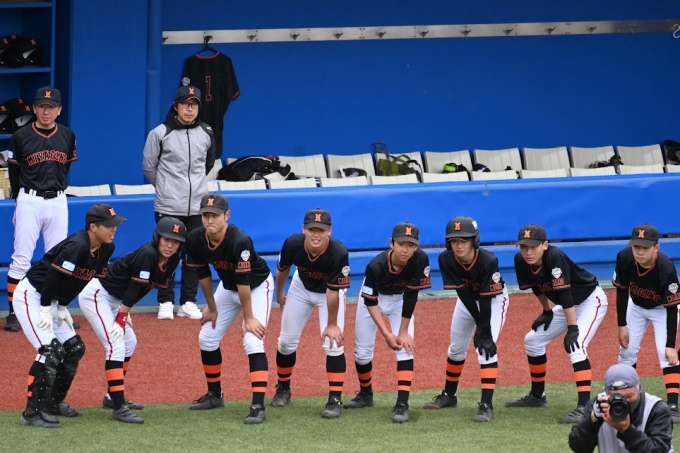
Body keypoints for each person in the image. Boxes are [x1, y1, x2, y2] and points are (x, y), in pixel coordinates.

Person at [13, 203, 125, 428]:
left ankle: (52, 404)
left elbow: (81, 280)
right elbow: (53, 277)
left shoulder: (106, 248)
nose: (114, 229)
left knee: (75, 348)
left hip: (52, 299)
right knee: (49, 351)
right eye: (108, 225)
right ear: (93, 227)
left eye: (115, 224)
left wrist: (62, 306)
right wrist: (46, 307)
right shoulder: (77, 245)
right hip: (33, 296)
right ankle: (31, 413)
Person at [79, 217, 187, 424]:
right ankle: (119, 408)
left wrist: (124, 311)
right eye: (166, 239)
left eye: (175, 242)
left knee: (129, 342)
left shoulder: (173, 259)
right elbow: (134, 287)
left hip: (116, 299)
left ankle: (112, 396)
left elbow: (143, 288)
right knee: (115, 345)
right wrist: (122, 316)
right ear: (157, 238)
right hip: (97, 295)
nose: (170, 245)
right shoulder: (148, 254)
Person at [185, 193, 273, 424]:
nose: (209, 220)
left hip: (255, 287)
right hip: (227, 287)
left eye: (214, 215)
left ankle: (258, 406)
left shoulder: (239, 240)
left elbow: (244, 282)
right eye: (205, 215)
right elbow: (203, 274)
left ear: (227, 215)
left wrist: (249, 317)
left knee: (253, 340)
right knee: (207, 338)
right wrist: (211, 307)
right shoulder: (195, 238)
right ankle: (215, 395)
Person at [506, 224, 608, 424]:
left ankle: (584, 407)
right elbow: (537, 287)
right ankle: (537, 396)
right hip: (567, 305)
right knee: (532, 341)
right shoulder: (521, 260)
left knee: (576, 345)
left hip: (590, 301)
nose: (528, 252)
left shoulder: (554, 257)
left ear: (545, 245)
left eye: (533, 246)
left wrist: (572, 328)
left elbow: (565, 294)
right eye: (524, 246)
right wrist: (546, 311)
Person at [423, 216, 509, 422]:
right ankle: (449, 395)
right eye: (454, 241)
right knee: (456, 348)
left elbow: (486, 298)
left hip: (493, 300)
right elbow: (463, 293)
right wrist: (479, 323)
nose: (458, 245)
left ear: (474, 240)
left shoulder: (488, 260)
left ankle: (486, 405)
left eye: (464, 240)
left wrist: (484, 329)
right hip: (467, 300)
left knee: (485, 348)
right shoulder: (446, 259)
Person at [5, 86, 77, 332]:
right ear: (34, 109)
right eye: (42, 107)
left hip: (58, 200)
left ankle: (54, 310)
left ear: (59, 110)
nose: (46, 112)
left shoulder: (67, 135)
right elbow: (14, 171)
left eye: (51, 107)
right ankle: (14, 313)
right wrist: (21, 199)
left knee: (58, 258)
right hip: (30, 199)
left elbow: (65, 168)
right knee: (21, 258)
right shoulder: (20, 135)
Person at [343, 222, 431, 423]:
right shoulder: (376, 265)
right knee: (362, 353)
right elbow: (370, 301)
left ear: (416, 246)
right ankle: (366, 394)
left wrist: (403, 331)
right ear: (392, 243)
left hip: (401, 299)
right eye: (401, 244)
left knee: (405, 348)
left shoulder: (420, 260)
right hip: (374, 300)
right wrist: (386, 334)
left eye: (411, 245)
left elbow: (411, 295)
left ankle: (402, 404)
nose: (405, 249)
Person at [142, 85, 216, 321]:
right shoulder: (160, 133)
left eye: (194, 105)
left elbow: (208, 164)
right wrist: (166, 188)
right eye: (185, 104)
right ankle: (165, 301)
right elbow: (149, 167)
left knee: (194, 255)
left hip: (197, 206)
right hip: (169, 205)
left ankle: (188, 302)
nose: (189, 109)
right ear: (176, 106)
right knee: (167, 253)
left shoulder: (206, 132)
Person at [270, 208, 350, 419]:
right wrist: (279, 294)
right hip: (301, 287)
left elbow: (333, 291)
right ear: (303, 229)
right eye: (312, 229)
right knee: (285, 342)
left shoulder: (338, 252)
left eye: (321, 230)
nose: (316, 234)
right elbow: (283, 268)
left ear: (329, 231)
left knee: (333, 343)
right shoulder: (293, 243)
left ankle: (335, 398)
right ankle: (283, 388)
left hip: (329, 293)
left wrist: (332, 325)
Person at [613, 223, 680, 423]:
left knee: (665, 354)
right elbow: (622, 292)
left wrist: (670, 345)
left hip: (662, 309)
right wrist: (621, 325)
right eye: (636, 247)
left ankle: (673, 405)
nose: (640, 252)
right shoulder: (624, 258)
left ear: (656, 248)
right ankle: (626, 397)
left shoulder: (666, 268)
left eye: (645, 248)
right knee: (626, 350)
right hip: (636, 306)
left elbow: (671, 309)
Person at [568, 363, 674, 453]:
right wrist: (592, 421)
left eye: (629, 396)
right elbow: (579, 448)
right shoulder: (599, 405)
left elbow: (659, 450)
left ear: (639, 390)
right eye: (616, 397)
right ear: (606, 392)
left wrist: (626, 430)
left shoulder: (655, 409)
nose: (624, 402)